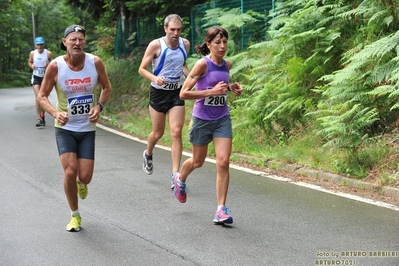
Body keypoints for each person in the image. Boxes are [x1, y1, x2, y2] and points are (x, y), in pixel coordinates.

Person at [37, 25, 112, 232]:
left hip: (87, 128)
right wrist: (54, 113)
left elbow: (106, 87)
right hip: (65, 128)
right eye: (73, 40)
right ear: (65, 42)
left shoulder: (94, 62)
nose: (77, 43)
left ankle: (82, 182)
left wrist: (99, 106)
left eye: (80, 39)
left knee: (85, 176)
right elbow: (42, 96)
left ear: (84, 42)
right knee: (70, 171)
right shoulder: (56, 66)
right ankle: (75, 215)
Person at [173, 26, 243, 225]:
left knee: (223, 162)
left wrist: (231, 88)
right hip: (202, 120)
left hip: (222, 119)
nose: (222, 46)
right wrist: (210, 92)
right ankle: (180, 179)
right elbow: (183, 93)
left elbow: (221, 86)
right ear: (208, 44)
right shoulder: (201, 65)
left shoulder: (227, 65)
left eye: (224, 42)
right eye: (217, 43)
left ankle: (221, 209)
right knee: (197, 161)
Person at [138, 14, 190, 189]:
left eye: (179, 30)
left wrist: (190, 77)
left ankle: (176, 176)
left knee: (176, 132)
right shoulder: (156, 45)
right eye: (172, 29)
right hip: (159, 93)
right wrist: (155, 78)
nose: (176, 33)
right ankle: (148, 153)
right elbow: (141, 69)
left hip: (176, 92)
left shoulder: (185, 44)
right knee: (158, 133)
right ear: (165, 29)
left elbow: (182, 65)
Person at [28, 36, 54, 127]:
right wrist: (32, 66)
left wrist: (48, 64)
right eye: (38, 45)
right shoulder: (32, 53)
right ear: (35, 45)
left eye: (41, 44)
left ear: (44, 44)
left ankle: (42, 116)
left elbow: (54, 64)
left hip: (45, 78)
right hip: (36, 77)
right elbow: (30, 62)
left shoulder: (48, 53)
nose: (40, 46)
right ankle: (39, 118)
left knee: (43, 97)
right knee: (38, 97)